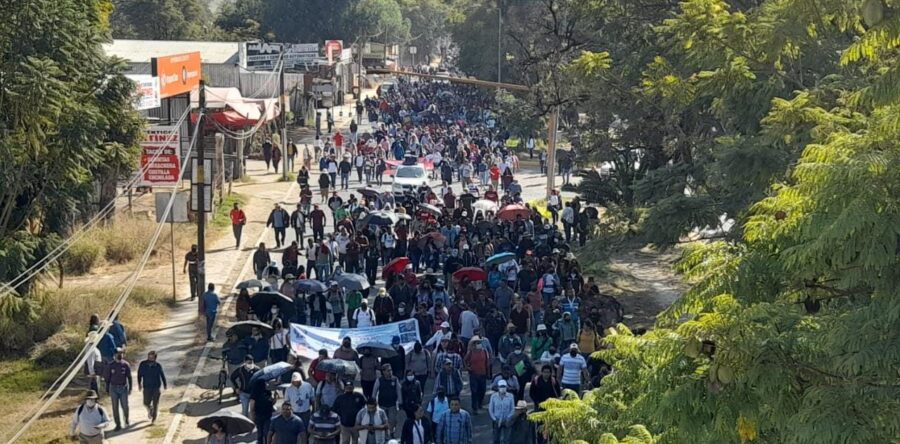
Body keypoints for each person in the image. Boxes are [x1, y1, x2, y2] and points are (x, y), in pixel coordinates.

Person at [137, 350, 167, 423]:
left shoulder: (158, 366)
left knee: (155, 403)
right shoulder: (143, 364)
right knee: (145, 402)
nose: (150, 359)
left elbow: (162, 375)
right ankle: (150, 409)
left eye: (152, 358)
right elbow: (139, 374)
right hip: (146, 387)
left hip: (156, 387)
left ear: (155, 358)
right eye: (149, 357)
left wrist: (165, 384)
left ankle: (154, 418)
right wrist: (139, 384)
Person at [373, 364, 402, 437]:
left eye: (391, 370)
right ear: (383, 372)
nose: (390, 372)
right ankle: (384, 435)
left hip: (392, 405)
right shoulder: (379, 380)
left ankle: (391, 433)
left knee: (392, 421)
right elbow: (375, 391)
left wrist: (400, 402)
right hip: (382, 405)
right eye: (388, 370)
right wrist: (373, 401)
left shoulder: (395, 379)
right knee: (382, 421)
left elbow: (398, 391)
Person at [463, 337, 491, 414]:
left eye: (479, 343)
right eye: (476, 343)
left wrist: (488, 373)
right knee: (474, 391)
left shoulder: (484, 351)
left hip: (483, 374)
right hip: (473, 374)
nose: (478, 344)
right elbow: (465, 360)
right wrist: (467, 367)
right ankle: (474, 408)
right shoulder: (471, 352)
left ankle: (479, 403)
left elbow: (487, 363)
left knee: (482, 390)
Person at [106, 348, 131, 430]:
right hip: (113, 388)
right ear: (114, 355)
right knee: (115, 407)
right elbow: (108, 378)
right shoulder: (110, 365)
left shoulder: (126, 365)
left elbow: (129, 377)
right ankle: (118, 424)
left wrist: (130, 387)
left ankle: (126, 420)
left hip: (123, 388)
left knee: (125, 406)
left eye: (121, 353)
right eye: (117, 354)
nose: (119, 355)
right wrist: (107, 389)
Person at [250, 379, 275, 444]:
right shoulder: (255, 394)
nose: (267, 384)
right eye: (265, 383)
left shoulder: (268, 392)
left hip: (268, 415)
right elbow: (252, 407)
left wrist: (275, 397)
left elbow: (272, 403)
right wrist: (252, 418)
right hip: (259, 416)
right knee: (260, 433)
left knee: (267, 432)